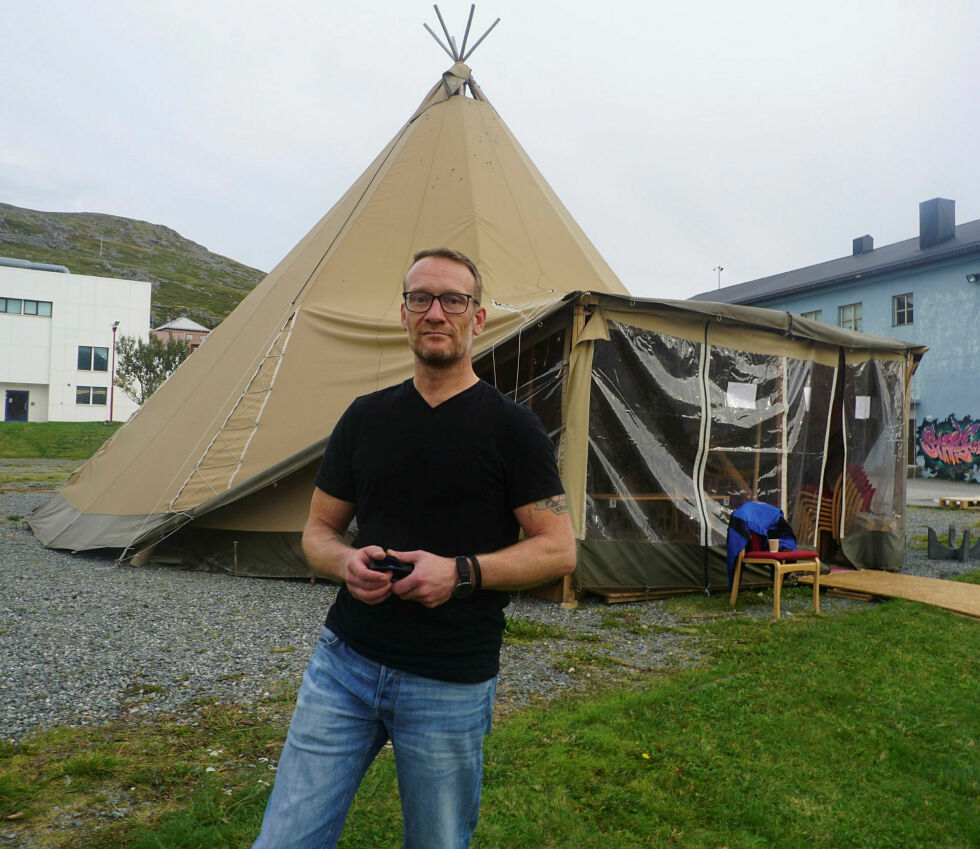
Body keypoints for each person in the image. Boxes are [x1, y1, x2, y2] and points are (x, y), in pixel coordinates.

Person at [252, 247, 577, 849]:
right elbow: (317, 533)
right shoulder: (364, 418)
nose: (436, 312)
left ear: (477, 318)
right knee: (285, 840)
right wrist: (346, 562)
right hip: (343, 666)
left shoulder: (513, 429)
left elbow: (558, 551)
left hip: (449, 681)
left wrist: (461, 573)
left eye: (453, 300)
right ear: (402, 313)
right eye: (421, 298)